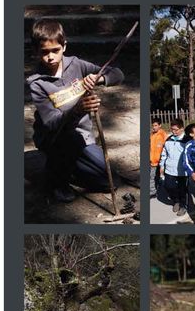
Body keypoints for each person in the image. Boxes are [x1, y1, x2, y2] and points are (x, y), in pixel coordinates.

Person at [27, 18, 124, 203]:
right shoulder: (37, 83)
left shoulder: (77, 65)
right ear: (36, 51)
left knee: (109, 181)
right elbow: (52, 122)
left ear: (64, 46)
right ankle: (56, 181)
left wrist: (99, 78)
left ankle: (71, 170)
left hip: (81, 137)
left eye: (55, 50)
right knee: (65, 141)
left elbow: (118, 74)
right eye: (44, 52)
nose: (50, 57)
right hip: (54, 138)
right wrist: (79, 109)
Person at [160, 119, 189, 216]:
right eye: (172, 129)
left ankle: (183, 206)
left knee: (182, 189)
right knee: (168, 186)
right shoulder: (169, 139)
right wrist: (162, 165)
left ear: (182, 129)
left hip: (182, 171)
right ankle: (176, 200)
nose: (174, 132)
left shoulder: (187, 140)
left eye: (176, 130)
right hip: (170, 169)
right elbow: (164, 154)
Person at [149, 118, 168, 199]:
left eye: (156, 125)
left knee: (161, 176)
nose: (154, 127)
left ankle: (163, 190)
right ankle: (153, 191)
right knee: (152, 176)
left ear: (160, 125)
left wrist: (164, 160)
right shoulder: (152, 135)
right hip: (153, 161)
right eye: (153, 125)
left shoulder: (163, 135)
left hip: (161, 161)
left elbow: (166, 147)